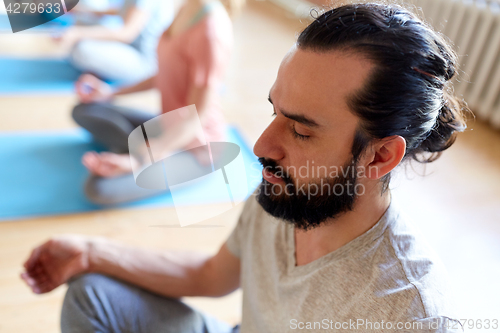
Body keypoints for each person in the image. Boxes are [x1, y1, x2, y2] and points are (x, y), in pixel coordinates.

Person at [21, 3, 468, 332]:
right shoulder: (287, 187)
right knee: (91, 293)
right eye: (275, 111)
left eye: (301, 131)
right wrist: (91, 252)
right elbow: (213, 276)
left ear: (379, 156)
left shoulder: (410, 314)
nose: (260, 145)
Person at [70, 0, 237, 205]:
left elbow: (197, 117)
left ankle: (140, 154)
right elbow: (166, 73)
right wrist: (111, 92)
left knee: (98, 188)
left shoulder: (211, 30)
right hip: (169, 126)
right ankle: (142, 151)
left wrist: (139, 160)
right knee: (85, 111)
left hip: (198, 149)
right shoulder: (188, 8)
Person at [57, 0, 174, 83]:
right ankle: (98, 69)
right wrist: (85, 11)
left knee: (81, 49)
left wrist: (77, 33)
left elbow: (126, 33)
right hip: (130, 48)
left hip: (146, 63)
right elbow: (124, 11)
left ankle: (98, 71)